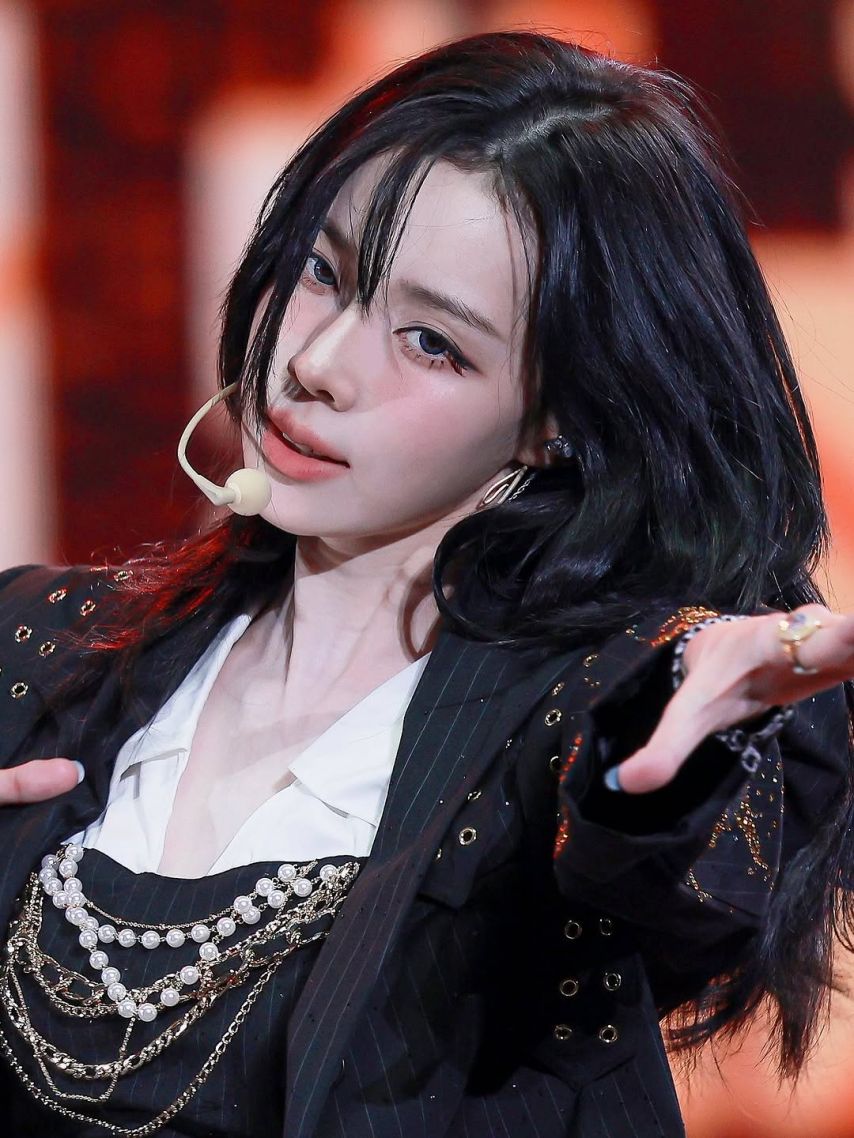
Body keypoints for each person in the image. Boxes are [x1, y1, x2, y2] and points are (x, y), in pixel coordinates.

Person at [0, 28, 852, 1138]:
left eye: (432, 343)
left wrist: (691, 717)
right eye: (323, 272)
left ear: (556, 420)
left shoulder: (559, 732)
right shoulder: (42, 649)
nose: (317, 365)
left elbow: (657, 831)